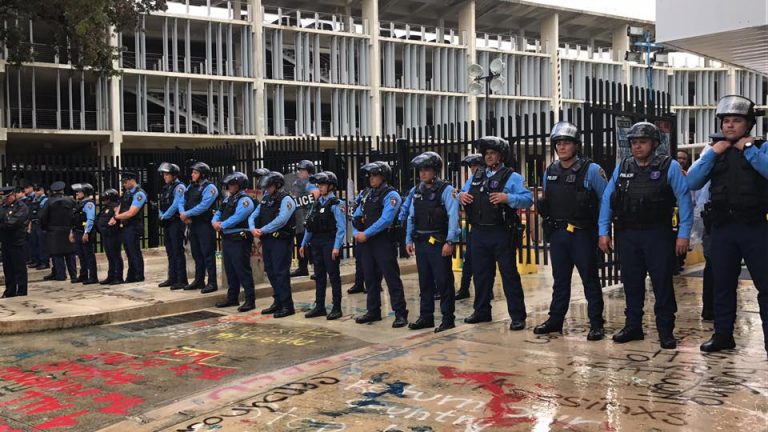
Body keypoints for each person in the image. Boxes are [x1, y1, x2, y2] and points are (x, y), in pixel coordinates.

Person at [599, 121, 693, 350]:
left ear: (654, 144)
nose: (637, 147)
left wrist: (683, 234)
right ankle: (633, 327)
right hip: (628, 234)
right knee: (631, 283)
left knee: (661, 284)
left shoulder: (668, 166)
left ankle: (665, 330)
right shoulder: (622, 167)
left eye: (642, 142)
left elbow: (684, 200)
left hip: (657, 233)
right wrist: (603, 231)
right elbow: (607, 200)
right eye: (634, 143)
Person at [686, 95, 768, 354]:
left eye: (737, 121)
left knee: (766, 284)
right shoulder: (713, 151)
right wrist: (712, 153)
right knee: (722, 283)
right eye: (726, 121)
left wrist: (749, 150)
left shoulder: (762, 147)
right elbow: (692, 181)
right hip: (722, 227)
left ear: (749, 124)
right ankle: (723, 335)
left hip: (754, 226)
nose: (730, 126)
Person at [536, 121, 607, 340]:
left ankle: (596, 323)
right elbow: (546, 199)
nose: (562, 147)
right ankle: (555, 319)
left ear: (576, 145)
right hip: (558, 234)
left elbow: (606, 200)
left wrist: (604, 231)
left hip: (582, 233)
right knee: (560, 280)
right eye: (558, 143)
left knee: (589, 279)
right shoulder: (550, 171)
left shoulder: (592, 170)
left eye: (566, 143)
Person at [459, 137, 533, 330]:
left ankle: (517, 316)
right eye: (486, 154)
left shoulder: (512, 177)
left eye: (492, 153)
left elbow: (527, 199)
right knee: (481, 274)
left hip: (501, 232)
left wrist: (507, 197)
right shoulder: (476, 175)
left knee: (509, 274)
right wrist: (462, 196)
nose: (489, 157)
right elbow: (462, 192)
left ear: (501, 155)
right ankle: (482, 311)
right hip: (478, 232)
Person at [405, 152, 460, 333]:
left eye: (426, 169)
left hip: (438, 242)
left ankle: (448, 318)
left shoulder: (446, 190)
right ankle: (426, 316)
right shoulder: (417, 190)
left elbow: (453, 217)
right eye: (420, 170)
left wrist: (450, 241)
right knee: (425, 282)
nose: (422, 173)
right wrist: (408, 238)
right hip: (421, 242)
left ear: (435, 170)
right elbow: (411, 216)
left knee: (443, 282)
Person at [353, 161, 409, 328]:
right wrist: (357, 234)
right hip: (366, 242)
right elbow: (355, 215)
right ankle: (373, 311)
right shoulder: (366, 194)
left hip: (383, 241)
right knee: (370, 278)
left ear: (383, 177)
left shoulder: (391, 195)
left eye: (375, 175)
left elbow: (386, 220)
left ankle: (400, 313)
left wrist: (366, 233)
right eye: (370, 175)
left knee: (392, 279)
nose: (371, 178)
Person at [301, 171, 346, 320]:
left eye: (323, 184)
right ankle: (319, 306)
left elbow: (341, 227)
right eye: (318, 184)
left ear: (331, 186)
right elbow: (310, 225)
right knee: (319, 276)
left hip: (329, 242)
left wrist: (336, 247)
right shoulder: (316, 203)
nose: (319, 187)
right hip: (316, 242)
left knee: (333, 276)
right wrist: (303, 243)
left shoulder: (336, 204)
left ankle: (336, 307)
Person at [251, 171, 297, 318]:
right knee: (270, 271)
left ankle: (287, 305)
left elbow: (281, 220)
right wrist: (252, 228)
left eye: (269, 186)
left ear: (277, 185)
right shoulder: (266, 199)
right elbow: (254, 214)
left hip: (281, 241)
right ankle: (278, 301)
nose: (267, 190)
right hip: (268, 241)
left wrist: (262, 230)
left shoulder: (286, 199)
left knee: (281, 273)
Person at [213, 172, 256, 312]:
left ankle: (250, 300)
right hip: (228, 239)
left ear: (239, 185)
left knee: (242, 270)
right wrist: (214, 222)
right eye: (229, 184)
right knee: (230, 270)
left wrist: (222, 225)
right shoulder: (228, 199)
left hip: (239, 239)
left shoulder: (245, 200)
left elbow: (238, 217)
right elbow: (218, 212)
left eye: (232, 184)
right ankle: (232, 298)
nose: (229, 187)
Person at [179, 162, 219, 293]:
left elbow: (204, 205)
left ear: (202, 174)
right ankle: (199, 280)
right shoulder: (191, 186)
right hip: (193, 224)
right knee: (196, 253)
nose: (192, 174)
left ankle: (212, 282)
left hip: (205, 224)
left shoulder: (210, 187)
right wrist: (183, 214)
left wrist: (187, 213)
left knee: (207, 253)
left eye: (195, 172)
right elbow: (182, 201)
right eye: (193, 172)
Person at [456, 153, 484, 301]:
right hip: (474, 224)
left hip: (488, 225)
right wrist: (461, 196)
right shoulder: (471, 180)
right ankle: (464, 288)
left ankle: (486, 290)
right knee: (469, 260)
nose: (473, 168)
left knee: (486, 262)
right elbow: (462, 193)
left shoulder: (487, 178)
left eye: (475, 165)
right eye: (471, 166)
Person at [157, 162, 188, 290]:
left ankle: (181, 279)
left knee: (177, 251)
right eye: (164, 174)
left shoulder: (179, 187)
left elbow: (176, 205)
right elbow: (162, 204)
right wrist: (160, 215)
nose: (164, 176)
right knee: (170, 251)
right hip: (168, 222)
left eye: (167, 174)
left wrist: (165, 216)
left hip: (175, 222)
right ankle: (172, 277)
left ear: (174, 175)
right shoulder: (167, 187)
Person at [112, 172, 146, 283]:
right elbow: (121, 205)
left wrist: (117, 217)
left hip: (134, 226)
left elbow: (132, 212)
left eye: (125, 182)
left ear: (132, 180)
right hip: (126, 226)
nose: (124, 185)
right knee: (129, 252)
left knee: (134, 251)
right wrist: (116, 216)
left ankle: (138, 275)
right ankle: (131, 276)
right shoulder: (127, 193)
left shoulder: (139, 194)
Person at [40, 181, 77, 282]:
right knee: (70, 253)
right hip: (68, 229)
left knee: (57, 254)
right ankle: (73, 275)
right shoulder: (71, 200)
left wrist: (44, 227)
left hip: (53, 230)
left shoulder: (49, 202)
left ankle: (60, 275)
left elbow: (43, 217)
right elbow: (76, 214)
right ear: (62, 190)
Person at [290, 160, 320, 277]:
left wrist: (299, 199)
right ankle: (302, 268)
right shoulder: (299, 182)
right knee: (300, 241)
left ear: (309, 172)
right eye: (299, 170)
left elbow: (315, 196)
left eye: (302, 170)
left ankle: (315, 269)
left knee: (309, 244)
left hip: (308, 215)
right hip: (299, 216)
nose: (300, 172)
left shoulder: (311, 183)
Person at [0, 187, 29, 297]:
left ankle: (21, 290)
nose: (5, 200)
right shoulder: (3, 207)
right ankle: (10, 290)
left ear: (13, 195)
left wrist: (4, 224)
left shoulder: (21, 207)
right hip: (5, 241)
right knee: (8, 268)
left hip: (17, 241)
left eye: (7, 197)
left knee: (19, 268)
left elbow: (12, 223)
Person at [70, 183, 98, 284]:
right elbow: (74, 219)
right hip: (77, 231)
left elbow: (90, 219)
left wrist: (86, 233)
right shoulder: (80, 203)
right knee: (81, 255)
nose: (77, 193)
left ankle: (93, 277)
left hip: (85, 233)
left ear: (85, 193)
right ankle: (83, 275)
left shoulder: (89, 204)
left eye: (79, 191)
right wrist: (71, 232)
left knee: (89, 256)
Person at [96, 188, 123, 285]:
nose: (104, 200)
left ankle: (118, 277)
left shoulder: (117, 207)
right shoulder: (106, 207)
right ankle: (110, 276)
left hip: (113, 235)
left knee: (115, 256)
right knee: (110, 256)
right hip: (106, 235)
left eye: (106, 198)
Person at [28, 184, 50, 270]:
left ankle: (44, 262)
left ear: (42, 190)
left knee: (42, 244)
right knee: (35, 243)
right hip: (34, 223)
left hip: (40, 224)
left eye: (38, 190)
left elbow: (43, 213)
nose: (36, 192)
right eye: (35, 190)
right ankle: (37, 261)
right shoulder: (34, 199)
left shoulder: (45, 200)